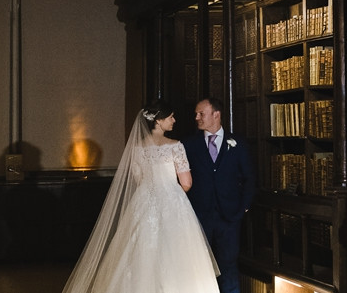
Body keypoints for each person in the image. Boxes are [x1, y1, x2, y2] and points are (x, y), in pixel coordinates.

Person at [62, 99, 220, 293]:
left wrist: (152, 193)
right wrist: (172, 193)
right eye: (171, 117)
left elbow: (138, 179)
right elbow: (186, 183)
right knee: (177, 255)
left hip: (144, 202)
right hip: (171, 202)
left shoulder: (137, 150)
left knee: (139, 252)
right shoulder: (175, 146)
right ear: (159, 120)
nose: (174, 120)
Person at [183, 97, 256, 293]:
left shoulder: (238, 143)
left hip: (230, 217)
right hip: (199, 217)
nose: (197, 117)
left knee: (229, 268)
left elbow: (250, 178)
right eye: (196, 114)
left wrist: (244, 207)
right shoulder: (189, 144)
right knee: (199, 268)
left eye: (201, 113)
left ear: (216, 114)